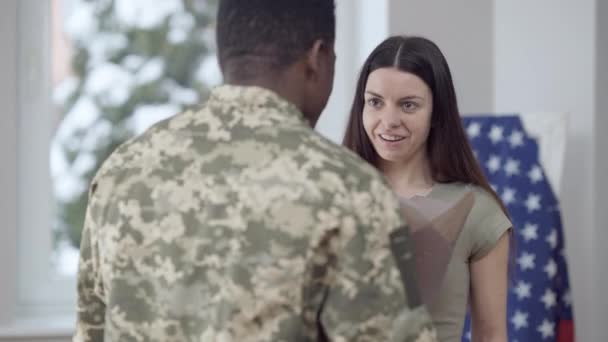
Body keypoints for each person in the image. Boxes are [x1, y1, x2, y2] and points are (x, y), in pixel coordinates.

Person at [74, 2, 438, 341]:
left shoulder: (119, 173)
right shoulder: (351, 191)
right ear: (318, 57)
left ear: (224, 55)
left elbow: (91, 331)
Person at [343, 35, 512, 342]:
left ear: (437, 113)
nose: (389, 120)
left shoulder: (477, 211)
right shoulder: (331, 195)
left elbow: (490, 334)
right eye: (375, 102)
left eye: (408, 105)